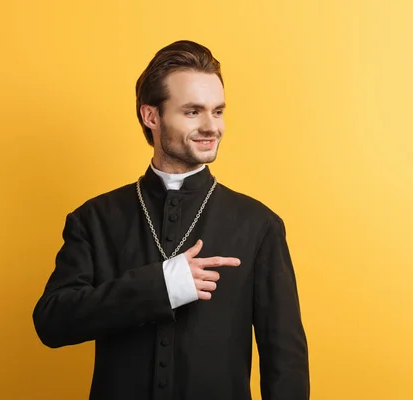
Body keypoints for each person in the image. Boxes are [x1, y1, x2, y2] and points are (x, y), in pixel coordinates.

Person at [32, 40, 310, 400]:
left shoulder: (259, 224)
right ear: (152, 117)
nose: (212, 126)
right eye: (193, 112)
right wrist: (159, 285)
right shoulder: (94, 219)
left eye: (218, 111)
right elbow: (52, 323)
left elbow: (285, 362)